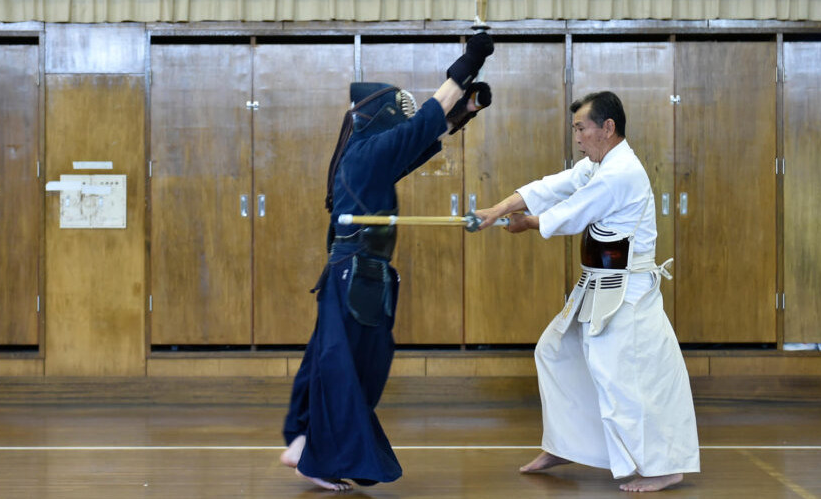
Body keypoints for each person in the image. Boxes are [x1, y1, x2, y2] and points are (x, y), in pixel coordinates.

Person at [279, 32, 494, 491]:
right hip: (353, 273)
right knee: (343, 365)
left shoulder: (367, 157)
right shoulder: (369, 153)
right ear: (380, 117)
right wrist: (471, 59)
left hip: (358, 273)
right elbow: (426, 121)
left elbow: (421, 140)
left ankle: (303, 438)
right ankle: (317, 456)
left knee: (337, 358)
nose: (404, 121)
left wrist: (468, 108)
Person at [474, 91, 700, 493]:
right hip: (596, 287)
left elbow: (573, 212)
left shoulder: (621, 172)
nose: (577, 138)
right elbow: (553, 186)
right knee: (554, 351)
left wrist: (527, 223)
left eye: (581, 128)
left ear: (607, 128)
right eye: (575, 129)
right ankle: (568, 445)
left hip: (627, 294)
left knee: (621, 379)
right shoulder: (599, 165)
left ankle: (664, 466)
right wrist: (498, 209)